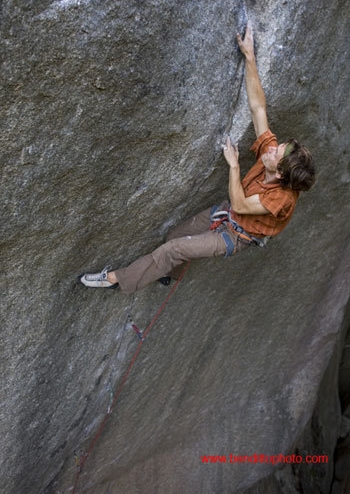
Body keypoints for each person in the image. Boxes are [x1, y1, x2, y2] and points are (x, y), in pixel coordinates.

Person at [80, 22, 315, 293]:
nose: (272, 147)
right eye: (278, 146)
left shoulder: (281, 198)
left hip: (234, 235)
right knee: (175, 236)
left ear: (282, 172)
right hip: (227, 214)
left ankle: (117, 280)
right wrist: (250, 57)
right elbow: (258, 107)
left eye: (277, 152)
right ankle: (168, 273)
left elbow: (239, 203)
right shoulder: (273, 158)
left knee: (173, 248)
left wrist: (235, 166)